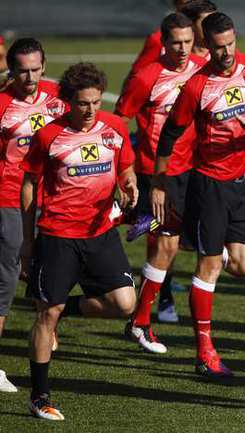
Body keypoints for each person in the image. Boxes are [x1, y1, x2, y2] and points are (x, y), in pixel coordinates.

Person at [155, 12, 245, 379]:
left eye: (230, 43)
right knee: (210, 267)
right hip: (209, 185)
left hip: (242, 184)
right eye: (218, 47)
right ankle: (204, 353)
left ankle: (199, 240)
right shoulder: (197, 86)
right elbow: (169, 135)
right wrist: (159, 182)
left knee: (244, 266)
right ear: (208, 46)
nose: (226, 51)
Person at [22, 62, 138, 420]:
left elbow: (125, 167)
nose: (90, 110)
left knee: (125, 304)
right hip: (58, 236)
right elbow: (29, 185)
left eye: (96, 102)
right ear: (68, 102)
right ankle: (39, 396)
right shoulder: (48, 136)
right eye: (83, 103)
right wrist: (27, 241)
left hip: (100, 233)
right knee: (46, 315)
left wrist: (129, 184)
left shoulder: (115, 127)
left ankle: (64, 309)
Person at [116, 13, 207, 353]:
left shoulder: (203, 68)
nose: (182, 49)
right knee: (167, 246)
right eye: (175, 43)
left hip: (193, 170)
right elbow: (119, 120)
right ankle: (140, 322)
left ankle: (134, 217)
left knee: (178, 242)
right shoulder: (147, 76)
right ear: (163, 43)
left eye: (187, 42)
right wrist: (124, 171)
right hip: (158, 173)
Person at [0, 38, 67, 393]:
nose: (30, 77)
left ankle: (47, 324)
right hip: (9, 199)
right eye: (22, 70)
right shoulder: (1, 104)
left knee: (52, 266)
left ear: (44, 66)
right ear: (11, 70)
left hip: (53, 198)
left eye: (35, 69)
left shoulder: (58, 97)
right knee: (6, 280)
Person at [126, 0, 206, 79]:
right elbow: (136, 77)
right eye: (186, 3)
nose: (192, 7)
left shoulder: (211, 39)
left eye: (196, 2)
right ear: (176, 6)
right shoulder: (158, 40)